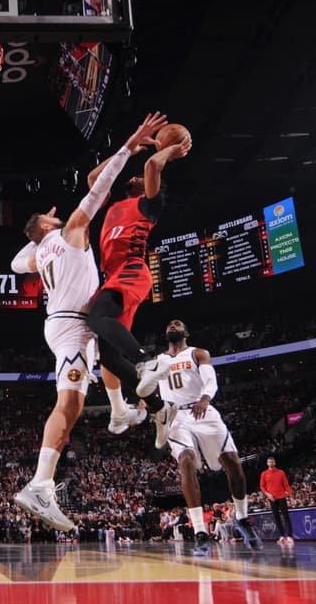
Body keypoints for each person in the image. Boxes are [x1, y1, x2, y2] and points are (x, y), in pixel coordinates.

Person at [10, 112, 169, 531]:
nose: (61, 215)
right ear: (47, 225)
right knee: (70, 403)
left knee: (99, 370)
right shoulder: (72, 232)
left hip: (61, 322)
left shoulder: (39, 251)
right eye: (51, 218)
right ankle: (40, 485)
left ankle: (124, 410)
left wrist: (37, 233)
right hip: (72, 325)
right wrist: (128, 145)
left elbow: (16, 261)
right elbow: (98, 188)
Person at [85, 131, 191, 441]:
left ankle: (147, 360)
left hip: (130, 272)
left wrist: (170, 151)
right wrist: (127, 149)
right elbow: (94, 178)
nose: (133, 177)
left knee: (95, 317)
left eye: (140, 178)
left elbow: (152, 167)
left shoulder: (148, 206)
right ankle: (160, 408)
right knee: (109, 357)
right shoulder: (115, 204)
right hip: (115, 275)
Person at [154, 319, 263, 555]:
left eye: (178, 323)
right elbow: (149, 387)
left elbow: (210, 380)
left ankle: (242, 518)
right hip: (175, 416)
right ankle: (201, 532)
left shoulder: (198, 354)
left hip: (202, 410)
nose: (173, 324)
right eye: (170, 324)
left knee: (233, 462)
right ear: (166, 334)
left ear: (186, 332)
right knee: (186, 462)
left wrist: (205, 398)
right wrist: (146, 401)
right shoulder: (158, 361)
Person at [260, 456, 294, 546]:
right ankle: (282, 536)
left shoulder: (281, 472)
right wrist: (268, 494)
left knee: (286, 516)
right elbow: (262, 486)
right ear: (267, 463)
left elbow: (286, 485)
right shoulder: (264, 474)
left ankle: (289, 536)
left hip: (282, 497)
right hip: (272, 498)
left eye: (272, 462)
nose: (271, 463)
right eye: (269, 462)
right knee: (276, 518)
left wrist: (291, 495)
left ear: (274, 463)